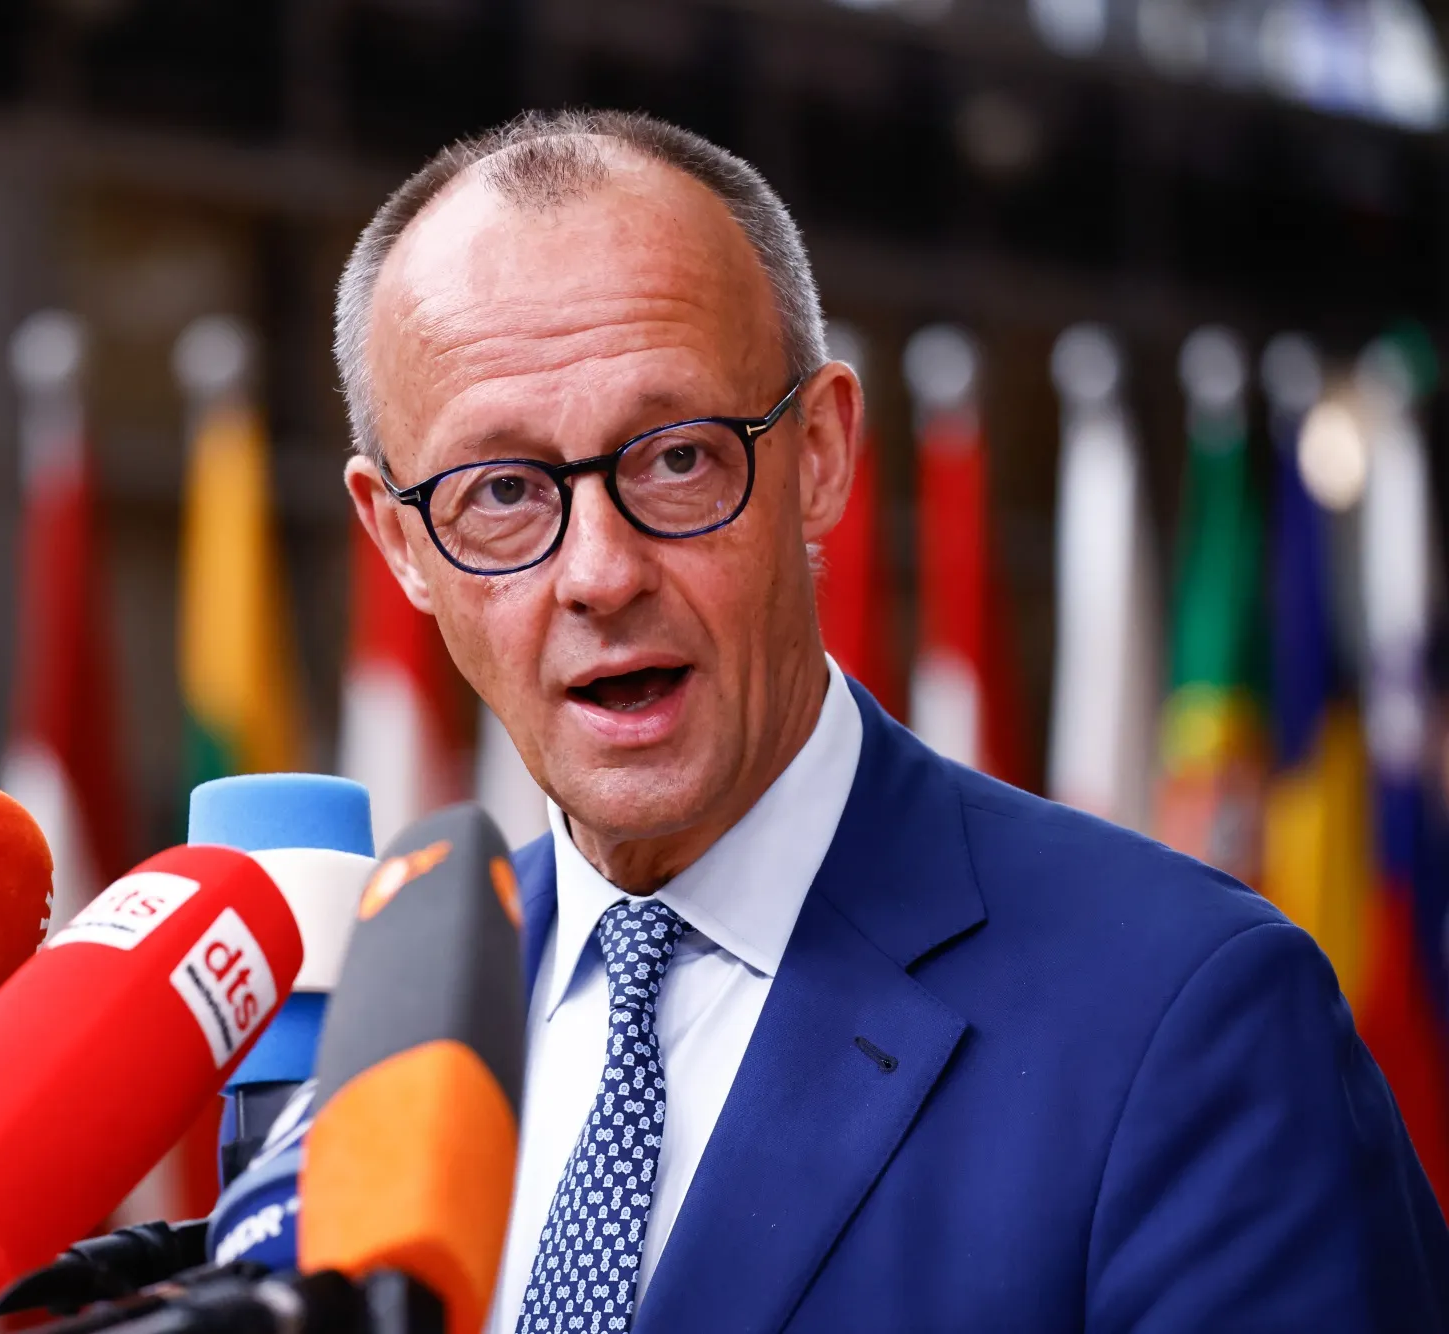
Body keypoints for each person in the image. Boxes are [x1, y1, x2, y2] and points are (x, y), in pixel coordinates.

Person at [338, 109, 1449, 1333]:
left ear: (818, 453)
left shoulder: (1190, 1018)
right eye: (500, 489)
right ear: (399, 543)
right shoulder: (384, 1038)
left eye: (674, 459)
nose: (598, 571)